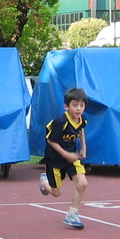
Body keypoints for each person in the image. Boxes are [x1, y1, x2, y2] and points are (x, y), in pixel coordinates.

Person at [39, 87, 89, 229]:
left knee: (83, 183)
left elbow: (81, 130)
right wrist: (65, 154)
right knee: (56, 193)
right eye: (75, 105)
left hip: (72, 157)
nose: (78, 109)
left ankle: (72, 214)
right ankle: (44, 182)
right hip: (55, 159)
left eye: (82, 105)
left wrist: (83, 147)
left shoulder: (82, 119)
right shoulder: (61, 122)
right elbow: (50, 140)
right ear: (66, 106)